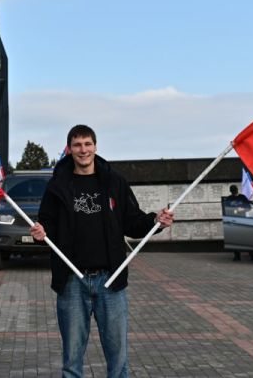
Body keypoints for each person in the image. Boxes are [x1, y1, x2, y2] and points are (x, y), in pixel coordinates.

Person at [30, 125, 174, 378]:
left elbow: (132, 221)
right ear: (69, 149)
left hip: (111, 280)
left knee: (118, 359)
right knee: (72, 360)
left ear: (95, 147)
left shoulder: (114, 182)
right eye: (77, 145)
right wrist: (41, 234)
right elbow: (47, 225)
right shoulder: (57, 185)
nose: (83, 150)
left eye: (87, 144)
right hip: (72, 281)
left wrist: (155, 221)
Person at [226, 185, 251, 261]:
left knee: (246, 237)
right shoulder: (229, 198)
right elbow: (226, 209)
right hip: (234, 220)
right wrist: (233, 211)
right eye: (233, 192)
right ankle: (237, 255)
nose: (234, 193)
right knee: (235, 238)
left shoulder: (242, 197)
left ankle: (251, 253)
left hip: (242, 219)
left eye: (235, 192)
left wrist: (241, 210)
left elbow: (249, 207)